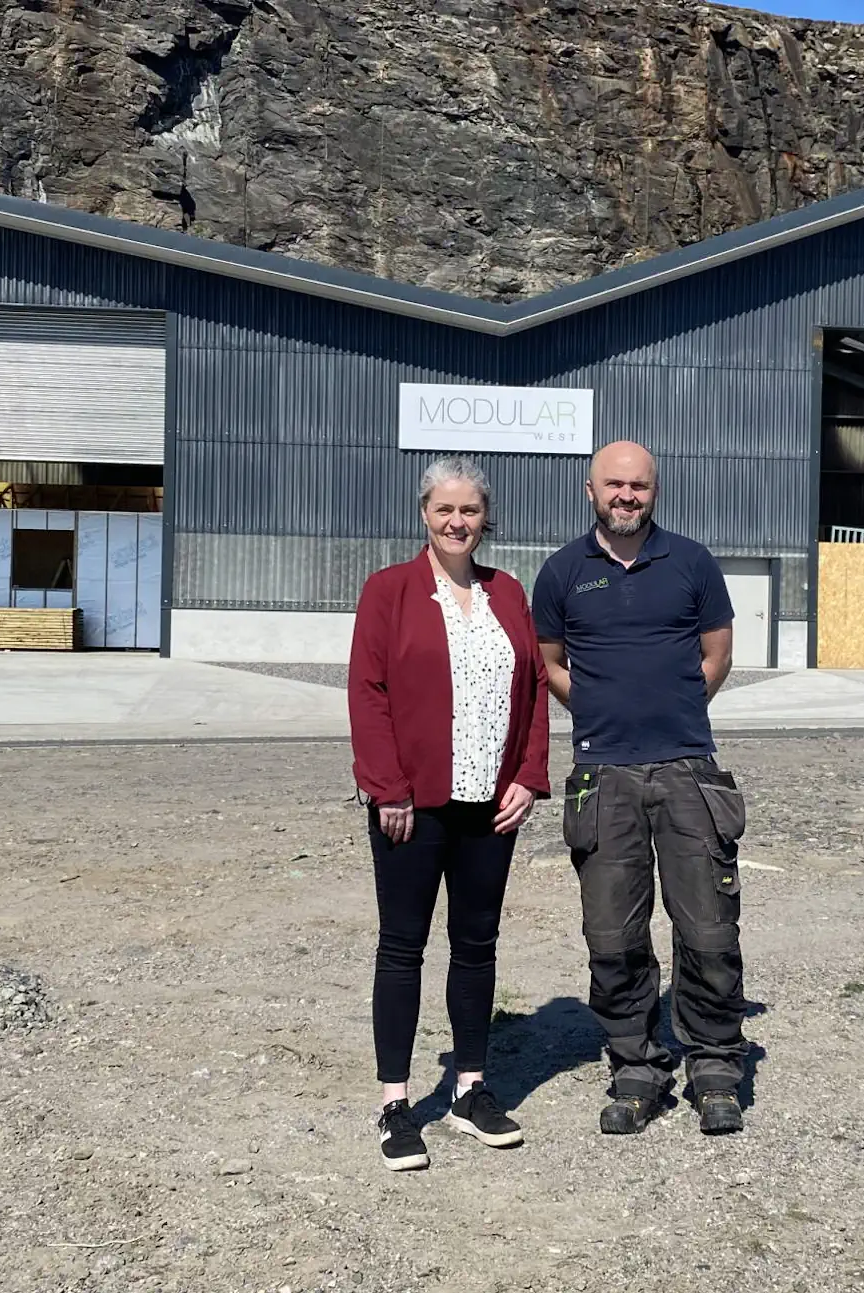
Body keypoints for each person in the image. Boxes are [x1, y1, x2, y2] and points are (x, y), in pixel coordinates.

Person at [530, 440, 750, 1137]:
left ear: (655, 491)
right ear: (590, 490)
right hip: (603, 776)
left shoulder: (692, 562)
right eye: (614, 484)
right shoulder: (563, 572)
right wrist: (601, 711)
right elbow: (550, 662)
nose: (627, 495)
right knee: (612, 934)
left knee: (708, 929)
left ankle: (715, 1067)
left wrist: (673, 711)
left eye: (640, 485)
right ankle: (636, 1067)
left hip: (688, 770)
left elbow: (717, 654)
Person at [348, 455, 552, 1171]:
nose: (457, 521)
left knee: (476, 944)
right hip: (413, 805)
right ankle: (396, 1104)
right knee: (402, 946)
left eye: (469, 510)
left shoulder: (508, 592)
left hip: (490, 805)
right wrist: (387, 787)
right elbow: (368, 691)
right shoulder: (389, 590)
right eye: (445, 509)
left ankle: (469, 1089)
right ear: (424, 514)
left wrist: (529, 776)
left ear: (485, 518)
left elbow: (533, 688)